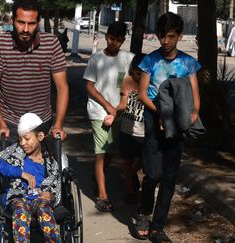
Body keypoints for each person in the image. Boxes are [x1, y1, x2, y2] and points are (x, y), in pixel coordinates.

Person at [135, 12, 201, 242]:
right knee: (153, 174)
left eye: (171, 36)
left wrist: (193, 114)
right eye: (162, 36)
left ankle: (158, 226)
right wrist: (162, 113)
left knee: (169, 178)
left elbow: (194, 95)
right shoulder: (149, 61)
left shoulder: (188, 63)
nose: (165, 41)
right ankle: (144, 213)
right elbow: (143, 94)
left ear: (179, 36)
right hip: (154, 119)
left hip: (177, 122)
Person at [0, 0, 69, 144]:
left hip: (41, 121)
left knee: (40, 165)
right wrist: (1, 124)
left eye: (31, 24)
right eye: (20, 22)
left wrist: (58, 125)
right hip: (10, 122)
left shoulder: (51, 44)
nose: (25, 29)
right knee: (10, 165)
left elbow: (62, 87)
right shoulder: (0, 44)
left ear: (38, 22)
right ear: (12, 21)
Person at [0, 113, 61, 242]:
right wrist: (19, 173)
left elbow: (56, 189)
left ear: (40, 136)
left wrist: (51, 196)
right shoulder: (15, 151)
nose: (23, 143)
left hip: (39, 198)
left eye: (26, 138)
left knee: (44, 209)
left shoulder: (50, 162)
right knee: (21, 208)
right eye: (20, 139)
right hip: (18, 196)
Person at [83, 21, 134, 212]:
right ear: (106, 37)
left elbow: (131, 83)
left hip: (120, 112)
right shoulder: (96, 59)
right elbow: (89, 86)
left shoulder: (128, 58)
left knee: (111, 151)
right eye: (112, 39)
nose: (115, 43)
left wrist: (118, 109)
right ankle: (102, 195)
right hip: (99, 112)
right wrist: (107, 106)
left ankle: (99, 177)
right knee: (101, 152)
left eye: (119, 40)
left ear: (123, 40)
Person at [115, 54, 146, 205]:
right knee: (127, 161)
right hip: (127, 129)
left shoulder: (151, 84)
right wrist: (113, 114)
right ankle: (130, 191)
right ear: (132, 71)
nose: (141, 77)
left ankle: (130, 174)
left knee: (143, 160)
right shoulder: (127, 80)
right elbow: (122, 104)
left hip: (145, 131)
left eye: (145, 73)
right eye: (138, 73)